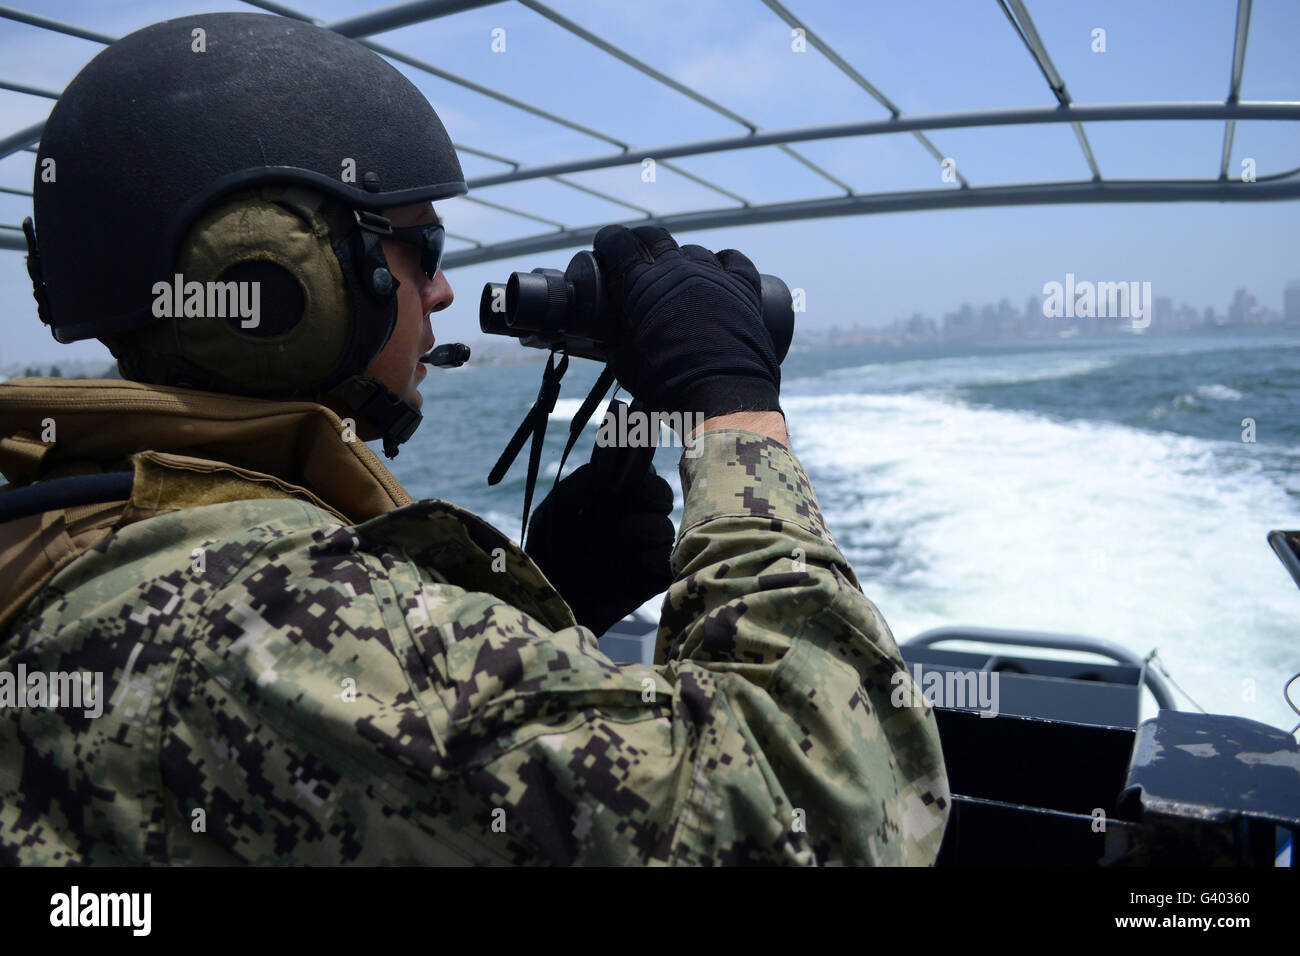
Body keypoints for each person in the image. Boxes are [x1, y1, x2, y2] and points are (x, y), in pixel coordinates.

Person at [0, 12, 948, 865]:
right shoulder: (254, 626)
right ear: (277, 274)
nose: (444, 292)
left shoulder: (78, 521)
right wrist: (733, 411)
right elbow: (823, 811)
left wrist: (540, 614)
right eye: (420, 249)